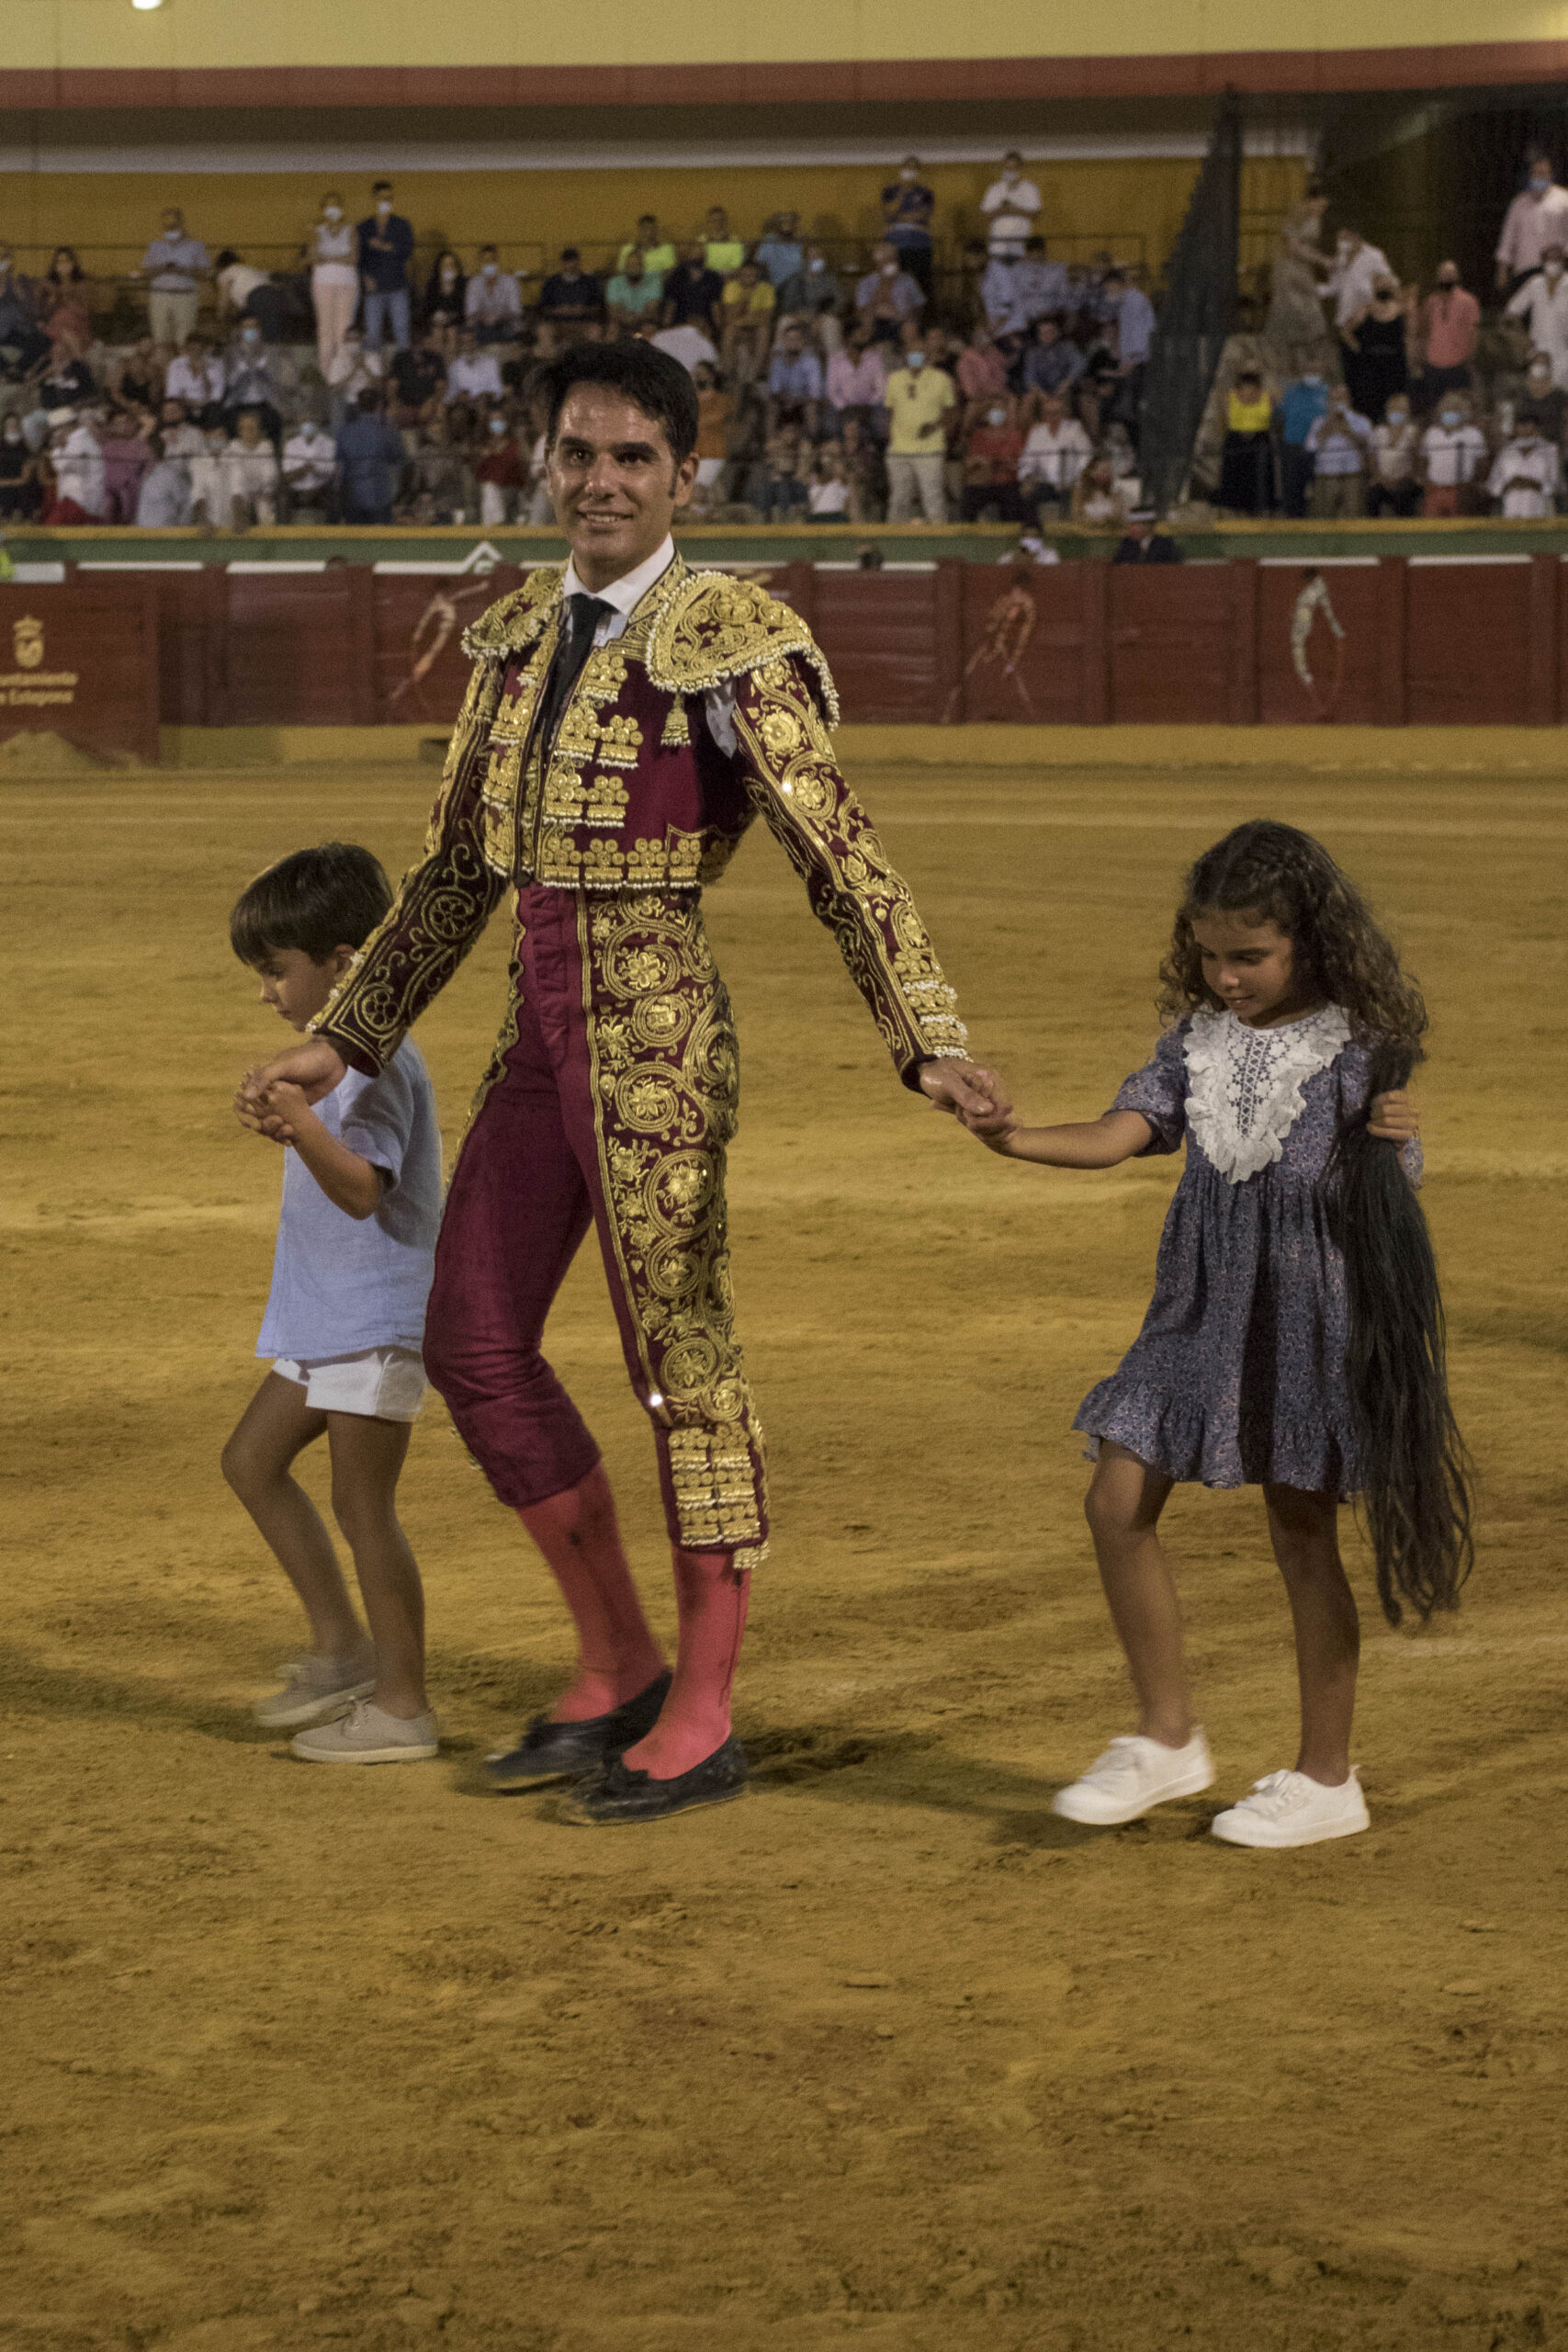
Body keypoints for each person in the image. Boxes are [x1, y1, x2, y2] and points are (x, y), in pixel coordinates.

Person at [240, 338, 1004, 1827]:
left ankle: (702, 1711)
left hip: (654, 1045)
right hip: (538, 1043)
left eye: (632, 457)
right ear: (545, 465)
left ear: (682, 477)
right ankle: (618, 1662)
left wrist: (926, 1034)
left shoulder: (733, 639)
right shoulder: (515, 637)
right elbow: (454, 874)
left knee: (679, 1365)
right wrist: (345, 1034)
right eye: (578, 454)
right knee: (472, 1342)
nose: (601, 481)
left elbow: (838, 854)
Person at [963, 820, 1469, 1848]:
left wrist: (1399, 1141)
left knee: (1300, 1534)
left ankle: (1326, 1779)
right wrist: (1013, 1137)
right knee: (1116, 1499)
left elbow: (1390, 1198)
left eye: (1250, 956)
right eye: (1208, 956)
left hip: (1307, 1318)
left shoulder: (1357, 1052)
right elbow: (1122, 1133)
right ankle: (1166, 1737)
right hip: (1195, 1311)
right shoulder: (1194, 1043)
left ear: (1307, 944)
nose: (1226, 978)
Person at [226, 844, 443, 1765]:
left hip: (375, 1319)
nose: (269, 993)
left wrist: (300, 1123)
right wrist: (295, 1120)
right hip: (330, 1314)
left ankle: (402, 1706)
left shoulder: (375, 1063)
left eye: (278, 970)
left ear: (345, 962)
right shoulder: (334, 1059)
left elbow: (361, 1191)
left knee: (362, 1507)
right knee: (251, 1461)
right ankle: (344, 1649)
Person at [882, 335, 954, 521]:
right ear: (906, 354)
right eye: (912, 352)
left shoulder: (941, 378)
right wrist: (891, 440)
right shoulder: (894, 379)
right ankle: (893, 536)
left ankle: (939, 536)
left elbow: (950, 412)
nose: (916, 355)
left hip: (930, 449)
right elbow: (890, 412)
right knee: (898, 500)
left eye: (920, 352)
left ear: (928, 354)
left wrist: (934, 426)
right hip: (899, 449)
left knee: (933, 498)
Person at [1413, 261, 1480, 414]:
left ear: (1457, 277)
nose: (1447, 278)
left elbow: (1473, 333)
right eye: (1443, 274)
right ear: (1437, 278)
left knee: (1459, 409)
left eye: (1450, 274)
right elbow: (1423, 331)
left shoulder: (1468, 301)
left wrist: (1470, 359)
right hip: (1433, 366)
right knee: (1433, 409)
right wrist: (1421, 357)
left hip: (1458, 365)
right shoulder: (1431, 301)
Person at [1340, 274, 1409, 423]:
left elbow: (1410, 335)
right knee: (1370, 407)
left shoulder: (1401, 309)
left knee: (1395, 407)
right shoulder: (1364, 309)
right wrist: (1359, 350)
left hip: (1395, 367)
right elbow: (1345, 331)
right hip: (1370, 368)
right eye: (1380, 285)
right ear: (1373, 288)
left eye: (1386, 285)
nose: (1383, 288)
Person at [1495, 154, 1568, 292]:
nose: (1539, 177)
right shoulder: (1519, 203)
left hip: (1556, 270)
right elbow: (1508, 239)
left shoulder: (1564, 199)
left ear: (1551, 175)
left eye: (1543, 173)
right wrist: (1502, 271)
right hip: (1525, 269)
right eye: (1536, 173)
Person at [357, 181, 416, 352]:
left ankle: (404, 363)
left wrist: (386, 247)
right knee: (373, 334)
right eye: (382, 198)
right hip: (373, 287)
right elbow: (359, 257)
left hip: (397, 285)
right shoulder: (364, 227)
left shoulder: (402, 225)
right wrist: (365, 277)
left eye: (389, 198)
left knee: (401, 330)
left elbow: (407, 250)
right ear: (374, 198)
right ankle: (373, 367)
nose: (385, 201)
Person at [141, 208, 210, 350]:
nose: (170, 229)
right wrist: (161, 268)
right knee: (160, 338)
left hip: (185, 295)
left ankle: (182, 363)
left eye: (174, 225)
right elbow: (145, 271)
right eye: (167, 226)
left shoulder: (195, 246)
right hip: (160, 295)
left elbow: (206, 272)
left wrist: (184, 270)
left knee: (184, 338)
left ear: (181, 223)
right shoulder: (156, 246)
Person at [1017, 391, 1091, 522]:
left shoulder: (1074, 428)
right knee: (1025, 493)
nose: (1052, 416)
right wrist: (1028, 477)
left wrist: (1073, 479)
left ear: (1063, 413)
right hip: (1045, 482)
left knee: (1076, 491)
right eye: (1049, 413)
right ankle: (1033, 530)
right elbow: (1027, 460)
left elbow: (1086, 457)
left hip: (1072, 482)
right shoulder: (1037, 432)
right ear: (1043, 414)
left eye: (1056, 413)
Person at [308, 193, 360, 374]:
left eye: (336, 205)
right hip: (322, 283)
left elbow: (353, 258)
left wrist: (328, 258)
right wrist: (339, 258)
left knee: (344, 329)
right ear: (323, 209)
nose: (333, 209)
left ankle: (343, 372)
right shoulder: (316, 230)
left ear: (342, 208)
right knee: (325, 329)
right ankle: (326, 373)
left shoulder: (351, 230)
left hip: (347, 283)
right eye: (329, 205)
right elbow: (314, 257)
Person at [336, 389, 406, 523]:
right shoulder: (387, 430)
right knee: (380, 534)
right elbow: (398, 457)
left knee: (355, 533)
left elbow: (340, 460)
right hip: (380, 491)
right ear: (378, 405)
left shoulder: (345, 430)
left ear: (358, 405)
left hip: (352, 492)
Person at [1505, 244, 1568, 390]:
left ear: (1563, 260)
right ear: (1543, 261)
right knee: (1538, 391)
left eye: (1557, 259)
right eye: (1550, 259)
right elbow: (1512, 311)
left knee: (1562, 392)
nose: (1553, 263)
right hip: (1538, 350)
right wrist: (1523, 338)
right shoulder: (1535, 283)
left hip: (1563, 350)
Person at [1304, 386, 1372, 519]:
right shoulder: (1319, 422)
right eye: (1333, 399)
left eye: (1341, 399)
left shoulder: (1360, 421)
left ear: (1349, 400)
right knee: (1324, 517)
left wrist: (1349, 431)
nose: (1337, 403)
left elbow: (1369, 445)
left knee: (1353, 515)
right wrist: (1326, 429)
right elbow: (1310, 447)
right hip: (1326, 476)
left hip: (1352, 476)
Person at [1217, 368, 1276, 514]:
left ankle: (1259, 509)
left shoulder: (1267, 396)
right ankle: (1234, 509)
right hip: (1236, 439)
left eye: (1251, 388)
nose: (1248, 392)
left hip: (1259, 440)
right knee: (1235, 477)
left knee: (1259, 477)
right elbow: (1223, 420)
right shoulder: (1229, 397)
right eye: (1244, 388)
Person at [1419, 397, 1488, 518]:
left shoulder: (1474, 434)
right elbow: (1423, 460)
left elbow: (1482, 463)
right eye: (1447, 409)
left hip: (1461, 491)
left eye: (1455, 409)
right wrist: (1426, 482)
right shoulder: (1432, 433)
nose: (1450, 413)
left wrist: (1472, 486)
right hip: (1434, 489)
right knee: (1431, 526)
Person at [959, 399, 1025, 522]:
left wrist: (1006, 463)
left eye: (1001, 410)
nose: (997, 413)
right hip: (984, 483)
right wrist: (980, 461)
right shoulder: (978, 435)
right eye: (994, 410)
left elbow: (1022, 464)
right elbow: (969, 463)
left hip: (1008, 483)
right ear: (986, 415)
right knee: (969, 496)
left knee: (1011, 499)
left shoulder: (1015, 435)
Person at [1278, 368, 1329, 517]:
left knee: (1320, 490)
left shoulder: (1327, 391)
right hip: (1293, 446)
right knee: (1293, 489)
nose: (1311, 375)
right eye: (1309, 370)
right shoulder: (1292, 392)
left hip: (1319, 449)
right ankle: (1293, 522)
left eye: (1315, 370)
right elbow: (1280, 416)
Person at [882, 156, 936, 295]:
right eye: (906, 168)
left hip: (919, 243)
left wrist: (900, 217)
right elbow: (888, 211)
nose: (909, 171)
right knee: (894, 278)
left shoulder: (925, 192)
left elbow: (924, 214)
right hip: (895, 243)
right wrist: (901, 195)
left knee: (921, 280)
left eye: (913, 168)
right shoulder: (890, 191)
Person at [1486, 417, 1560, 518]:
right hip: (1512, 508)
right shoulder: (1506, 451)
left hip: (1539, 507)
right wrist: (1509, 484)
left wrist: (1534, 484)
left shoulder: (1549, 450)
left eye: (1528, 426)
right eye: (1521, 426)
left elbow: (1556, 484)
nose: (1524, 429)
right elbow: (1493, 484)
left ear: (1537, 428)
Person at [855, 242, 923, 345]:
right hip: (875, 322)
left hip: (902, 321)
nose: (891, 263)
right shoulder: (866, 282)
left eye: (893, 259)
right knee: (865, 326)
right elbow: (861, 311)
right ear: (877, 263)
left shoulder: (907, 280)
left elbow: (920, 306)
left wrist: (907, 313)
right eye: (886, 261)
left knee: (910, 328)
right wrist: (883, 288)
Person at [1366, 393, 1421, 518]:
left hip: (1406, 479)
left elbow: (1417, 462)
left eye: (1401, 409)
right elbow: (1372, 459)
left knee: (1403, 491)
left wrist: (1400, 479)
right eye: (1394, 409)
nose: (1397, 412)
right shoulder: (1379, 432)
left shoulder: (1412, 432)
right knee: (1373, 493)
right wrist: (1381, 478)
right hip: (1382, 479)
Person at [536, 250, 605, 346]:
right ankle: (550, 354)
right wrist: (558, 310)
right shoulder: (551, 283)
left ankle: (591, 355)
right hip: (558, 324)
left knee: (595, 330)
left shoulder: (590, 282)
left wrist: (583, 310)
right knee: (544, 330)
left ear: (578, 263)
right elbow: (542, 309)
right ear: (562, 264)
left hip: (583, 323)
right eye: (567, 262)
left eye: (573, 263)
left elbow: (599, 307)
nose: (570, 266)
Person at [980, 153, 1042, 259]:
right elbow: (986, 214)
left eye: (1014, 167)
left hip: (1021, 241)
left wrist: (1015, 209)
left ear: (1020, 168)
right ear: (1003, 167)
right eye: (1008, 167)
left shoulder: (1030, 188)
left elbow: (1036, 214)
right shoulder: (994, 189)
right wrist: (1003, 210)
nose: (1011, 171)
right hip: (998, 243)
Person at [280, 417, 338, 520]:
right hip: (296, 491)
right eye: (305, 421)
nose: (308, 426)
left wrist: (315, 469)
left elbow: (335, 469)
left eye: (311, 421)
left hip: (321, 489)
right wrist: (302, 471)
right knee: (283, 500)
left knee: (333, 498)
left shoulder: (329, 443)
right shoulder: (291, 444)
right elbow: (286, 475)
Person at [661, 246, 724, 341]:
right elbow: (670, 306)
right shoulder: (675, 277)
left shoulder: (713, 277)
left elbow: (715, 306)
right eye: (694, 254)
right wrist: (666, 328)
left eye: (700, 254)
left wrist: (718, 329)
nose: (697, 257)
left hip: (705, 321)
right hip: (681, 320)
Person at [466, 246, 524, 345]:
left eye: (492, 260)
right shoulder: (474, 283)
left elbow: (516, 312)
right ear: (480, 264)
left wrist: (499, 316)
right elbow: (471, 313)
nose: (489, 264)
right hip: (481, 328)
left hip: (507, 327)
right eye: (485, 261)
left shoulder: (510, 282)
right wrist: (486, 317)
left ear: (498, 262)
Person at [605, 251, 665, 332]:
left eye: (637, 264)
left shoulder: (654, 282)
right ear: (625, 267)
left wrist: (635, 318)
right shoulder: (614, 283)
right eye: (630, 265)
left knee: (650, 325)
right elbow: (613, 310)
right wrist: (626, 318)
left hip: (645, 321)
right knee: (612, 327)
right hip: (620, 322)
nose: (634, 268)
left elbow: (651, 310)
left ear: (643, 267)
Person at [1111, 506, 1181, 561]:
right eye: (1130, 525)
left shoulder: (1165, 544)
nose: (1131, 528)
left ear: (1149, 525)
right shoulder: (1127, 544)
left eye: (1135, 524)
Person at [701, 207, 746, 279]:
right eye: (714, 220)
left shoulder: (736, 242)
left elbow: (739, 266)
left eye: (721, 220)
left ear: (726, 222)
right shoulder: (701, 242)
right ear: (708, 222)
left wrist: (727, 276)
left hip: (730, 279)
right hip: (707, 279)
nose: (718, 224)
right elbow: (698, 266)